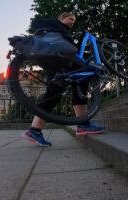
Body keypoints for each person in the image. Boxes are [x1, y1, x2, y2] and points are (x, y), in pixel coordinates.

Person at [22, 12, 105, 147]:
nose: (73, 21)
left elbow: (73, 51)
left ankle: (36, 130)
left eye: (74, 20)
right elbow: (36, 23)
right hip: (57, 61)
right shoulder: (56, 26)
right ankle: (36, 130)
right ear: (61, 18)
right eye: (70, 18)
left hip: (61, 62)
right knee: (58, 90)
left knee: (65, 87)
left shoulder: (65, 33)